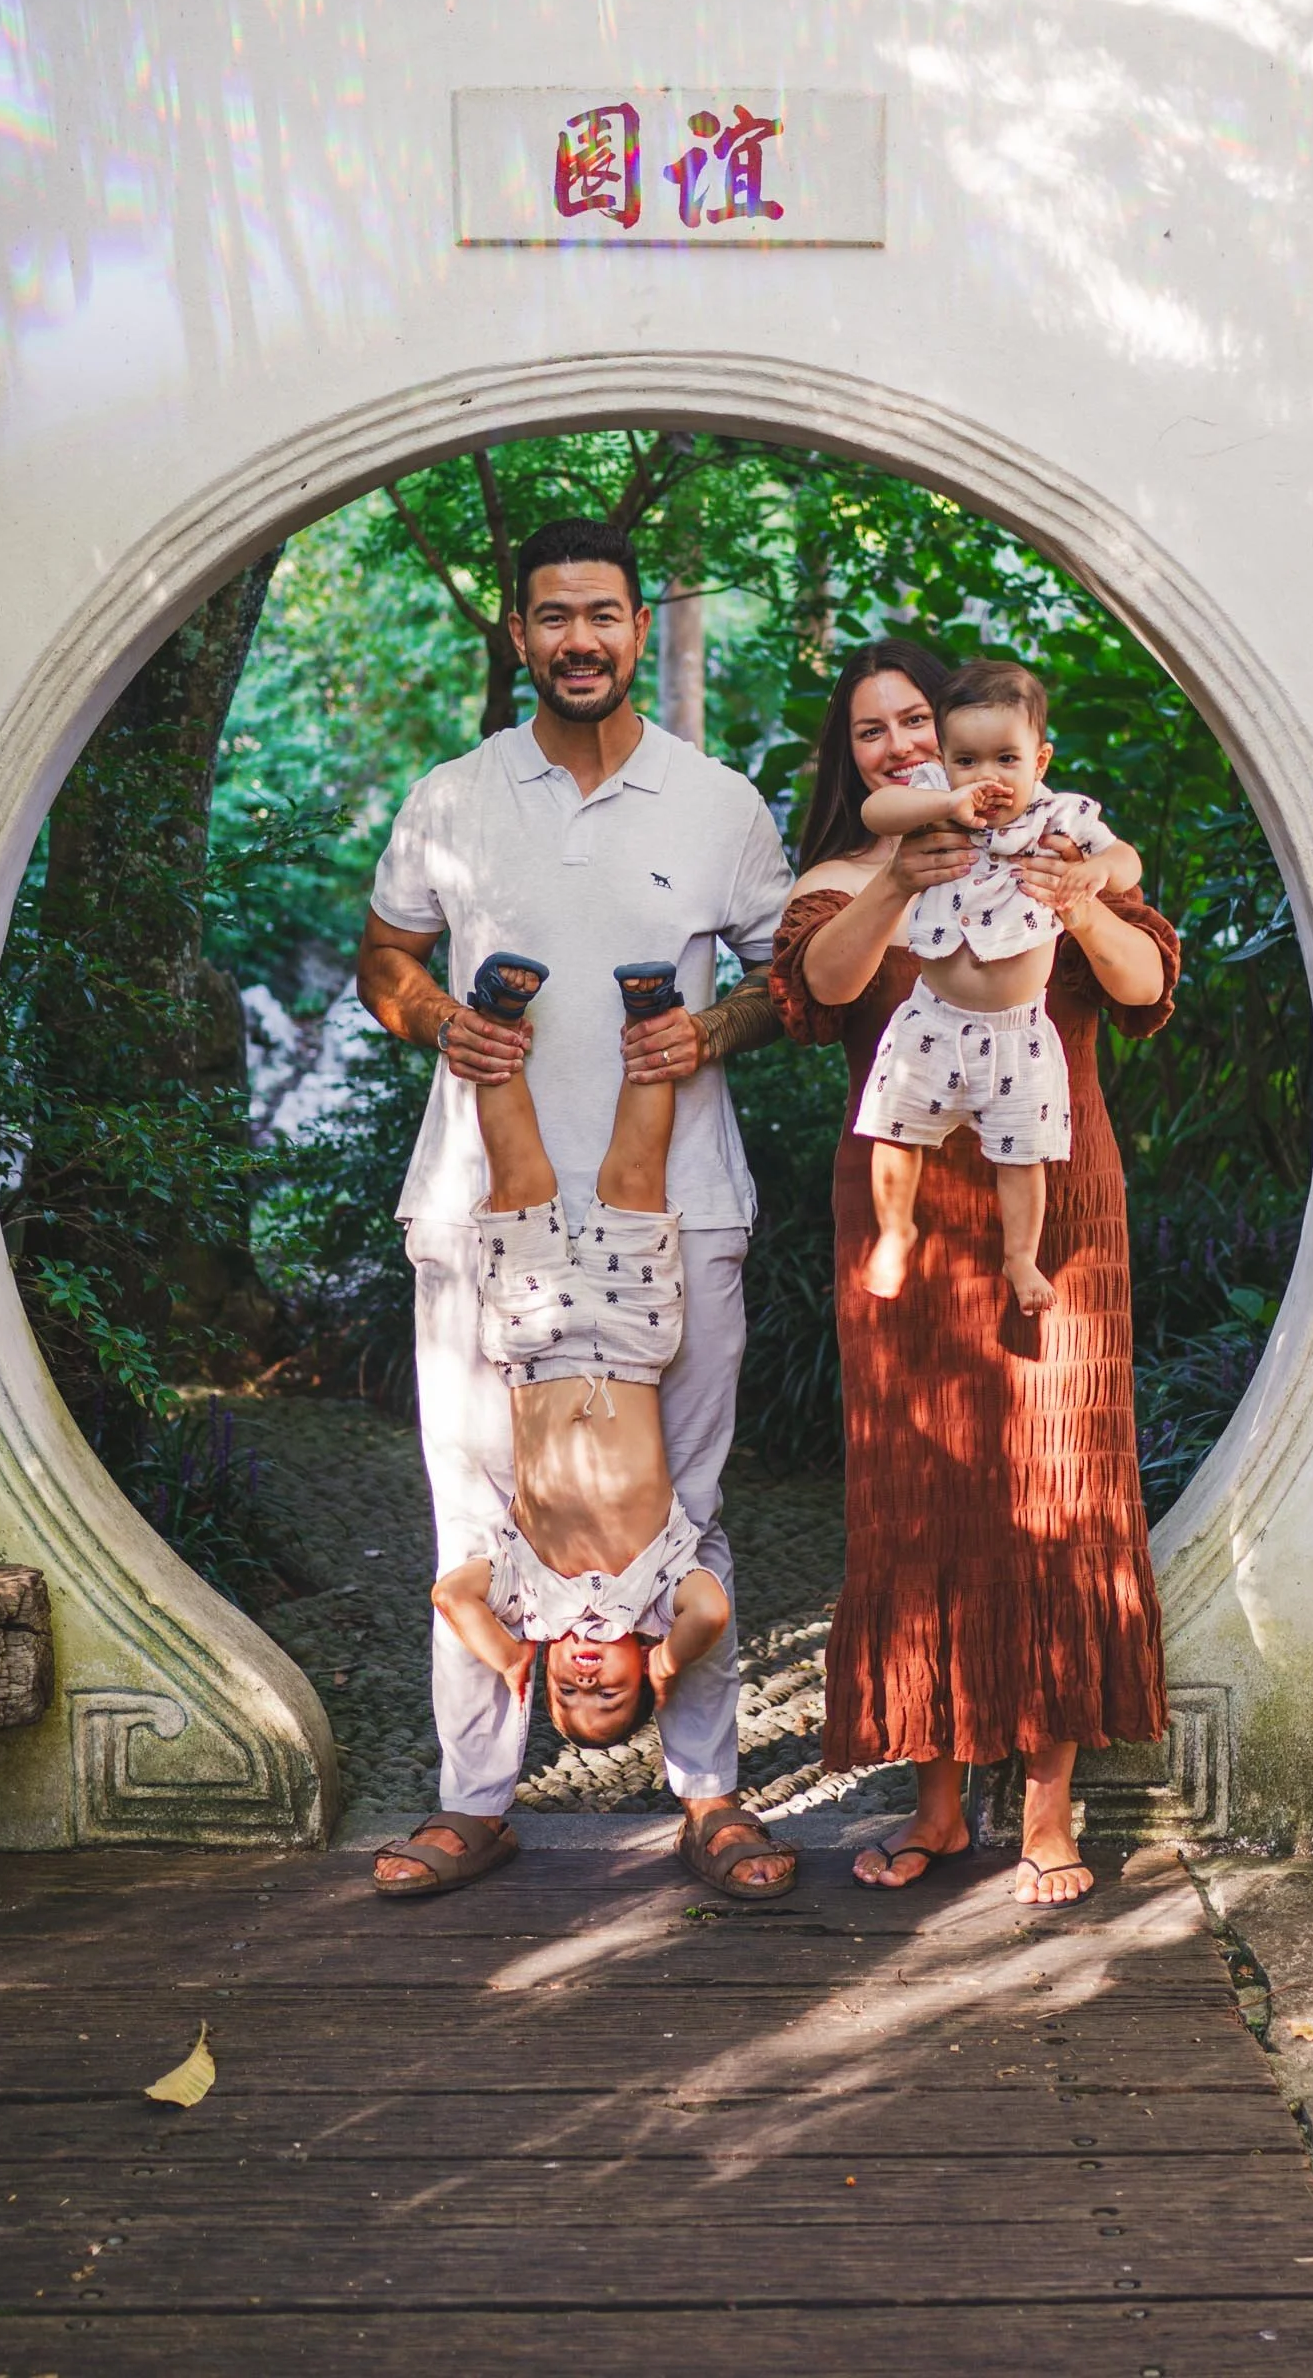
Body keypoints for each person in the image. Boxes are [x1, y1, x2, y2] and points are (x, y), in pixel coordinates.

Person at [357, 516, 797, 1903]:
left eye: (603, 614)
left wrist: (714, 1028)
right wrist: (436, 1021)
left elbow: (798, 978)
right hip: (471, 1206)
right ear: (519, 634)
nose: (582, 640)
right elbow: (388, 957)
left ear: (634, 625)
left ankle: (710, 1797)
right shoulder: (452, 795)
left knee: (697, 1510)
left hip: (689, 1210)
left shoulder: (717, 801)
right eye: (553, 617)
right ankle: (475, 1801)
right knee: (470, 1516)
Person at [768, 638, 1177, 1905]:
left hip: (1053, 1211)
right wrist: (898, 874)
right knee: (917, 1499)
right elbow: (822, 992)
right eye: (875, 732)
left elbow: (1144, 981)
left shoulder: (1056, 845)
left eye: (914, 723)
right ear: (862, 761)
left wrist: (1084, 898)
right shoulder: (842, 875)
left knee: (1060, 1487)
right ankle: (936, 1807)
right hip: (898, 1220)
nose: (898, 745)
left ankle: (1045, 1809)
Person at [428, 956, 731, 1754]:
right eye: (612, 1688)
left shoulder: (526, 1600)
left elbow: (452, 1594)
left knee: (517, 1178)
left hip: (534, 1347)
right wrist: (669, 1660)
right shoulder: (663, 1597)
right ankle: (651, 1017)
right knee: (636, 1176)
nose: (586, 1671)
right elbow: (715, 1614)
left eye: (569, 1688)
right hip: (631, 1344)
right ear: (640, 1667)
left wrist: (510, 1661)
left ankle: (494, 1019)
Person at [853, 658, 1141, 1309]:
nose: (987, 778)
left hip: (1017, 1034)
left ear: (1040, 761)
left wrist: (1098, 875)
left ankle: (1020, 1258)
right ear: (945, 759)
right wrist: (942, 801)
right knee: (894, 1130)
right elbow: (878, 809)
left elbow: (1126, 859)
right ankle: (896, 1231)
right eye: (968, 761)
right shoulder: (935, 800)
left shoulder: (1059, 816)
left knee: (1022, 1155)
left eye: (1006, 760)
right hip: (931, 1020)